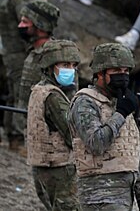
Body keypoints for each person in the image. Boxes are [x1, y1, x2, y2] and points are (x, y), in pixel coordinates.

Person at [68, 43, 140, 211]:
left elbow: (128, 156)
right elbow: (96, 143)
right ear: (100, 73)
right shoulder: (85, 102)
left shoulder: (120, 101)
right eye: (116, 71)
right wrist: (121, 113)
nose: (123, 75)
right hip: (99, 193)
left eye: (126, 71)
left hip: (123, 193)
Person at [27, 40, 81, 211]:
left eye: (73, 65)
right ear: (50, 66)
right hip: (59, 168)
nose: (70, 69)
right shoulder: (54, 97)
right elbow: (73, 134)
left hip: (41, 166)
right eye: (65, 64)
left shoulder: (38, 90)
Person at [0, 0, 44, 151]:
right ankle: (19, 140)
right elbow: (29, 22)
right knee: (22, 94)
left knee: (13, 93)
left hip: (8, 50)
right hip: (19, 51)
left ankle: (11, 136)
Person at [13, 0, 60, 155]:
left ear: (40, 26)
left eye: (25, 22)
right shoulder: (34, 52)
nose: (20, 26)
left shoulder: (56, 56)